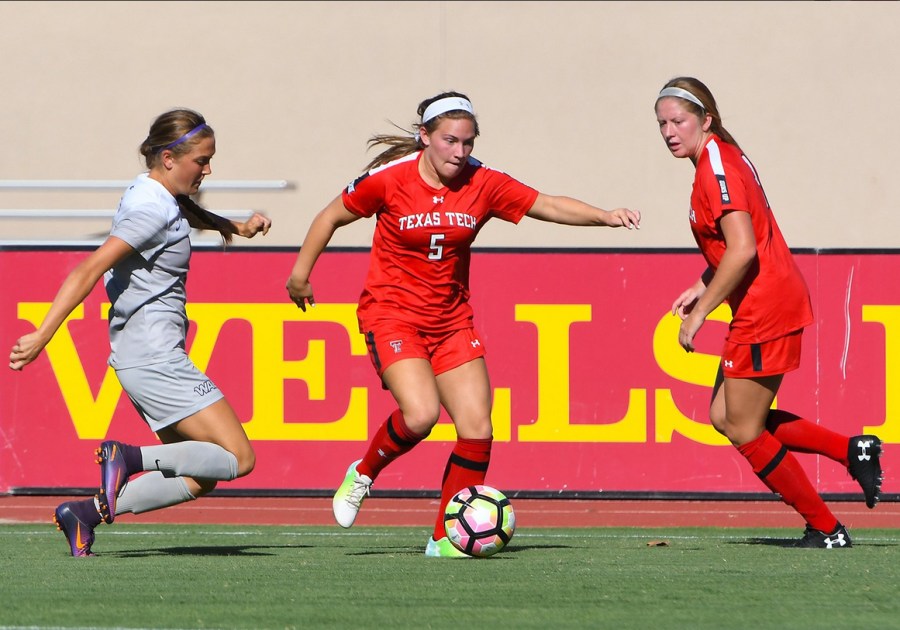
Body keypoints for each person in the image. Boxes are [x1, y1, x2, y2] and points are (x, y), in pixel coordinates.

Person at [286, 90, 641, 558]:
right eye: (450, 141)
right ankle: (365, 472)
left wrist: (605, 216)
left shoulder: (483, 182)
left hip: (452, 320)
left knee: (477, 428)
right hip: (392, 313)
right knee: (421, 415)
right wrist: (299, 275)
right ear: (425, 138)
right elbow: (330, 216)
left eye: (468, 142)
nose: (460, 152)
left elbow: (547, 204)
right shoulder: (387, 180)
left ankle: (443, 539)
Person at [8, 108, 272, 557]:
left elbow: (181, 211)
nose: (208, 168)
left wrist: (232, 226)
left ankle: (85, 514)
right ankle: (129, 458)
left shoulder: (150, 191)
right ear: (169, 157)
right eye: (201, 160)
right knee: (238, 458)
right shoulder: (150, 210)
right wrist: (43, 334)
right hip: (157, 357)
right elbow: (89, 268)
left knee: (198, 473)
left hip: (139, 358)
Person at [655, 77, 883, 548]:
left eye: (678, 120)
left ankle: (826, 528)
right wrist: (701, 284)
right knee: (725, 416)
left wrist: (701, 314)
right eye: (661, 123)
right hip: (765, 302)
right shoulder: (716, 158)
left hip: (766, 306)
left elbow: (741, 251)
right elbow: (743, 241)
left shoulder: (715, 165)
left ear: (706, 120)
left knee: (741, 426)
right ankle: (850, 450)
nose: (669, 131)